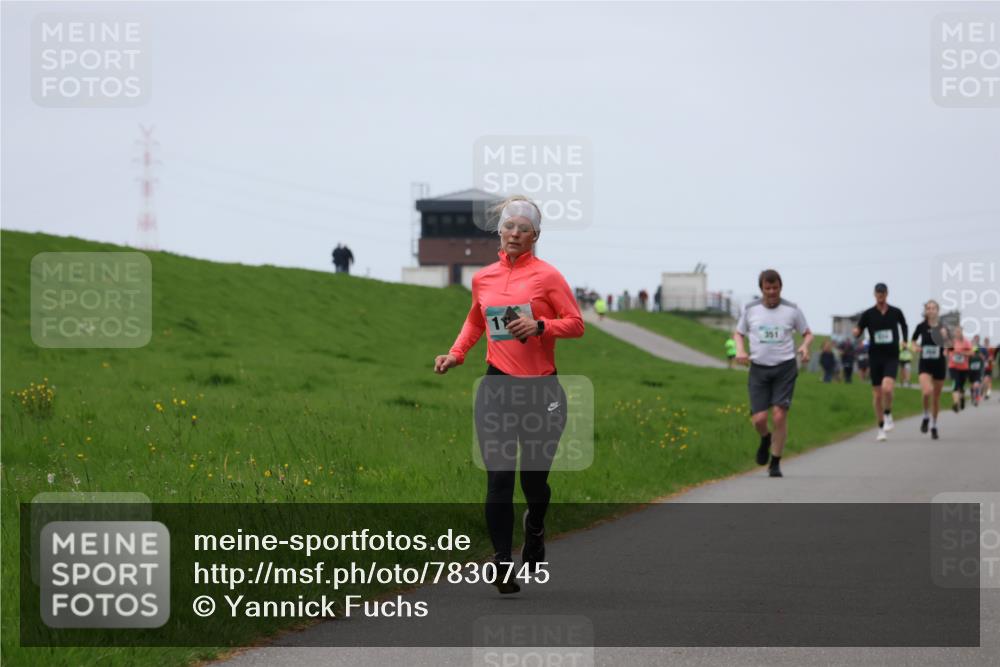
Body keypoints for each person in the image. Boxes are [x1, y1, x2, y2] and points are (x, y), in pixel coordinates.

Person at [433, 195, 584, 595]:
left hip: (542, 391)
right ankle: (501, 562)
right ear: (498, 232)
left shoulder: (548, 276)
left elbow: (576, 324)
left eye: (523, 228)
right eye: (508, 226)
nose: (514, 233)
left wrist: (540, 328)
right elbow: (474, 319)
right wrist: (456, 353)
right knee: (499, 479)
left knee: (534, 484)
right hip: (497, 386)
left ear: (535, 235)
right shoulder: (483, 278)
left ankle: (534, 526)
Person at [733, 269, 812, 478]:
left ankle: (775, 462)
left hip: (784, 367)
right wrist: (740, 350)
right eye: (767, 288)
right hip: (758, 368)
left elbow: (807, 333)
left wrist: (805, 346)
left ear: (780, 287)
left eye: (775, 288)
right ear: (761, 289)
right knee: (759, 419)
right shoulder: (750, 309)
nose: (771, 292)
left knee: (779, 415)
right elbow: (738, 334)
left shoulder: (792, 310)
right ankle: (765, 438)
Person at [853, 283, 908, 442]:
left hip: (891, 355)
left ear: (887, 294)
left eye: (883, 293)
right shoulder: (868, 314)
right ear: (874, 294)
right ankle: (880, 427)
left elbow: (904, 325)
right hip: (875, 356)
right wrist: (856, 332)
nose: (880, 295)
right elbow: (859, 329)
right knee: (877, 396)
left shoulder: (896, 312)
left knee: (887, 388)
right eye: (878, 293)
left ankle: (888, 413)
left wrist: (904, 340)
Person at [911, 300, 949, 440]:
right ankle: (925, 416)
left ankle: (934, 425)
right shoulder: (920, 326)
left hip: (939, 364)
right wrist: (915, 347)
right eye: (929, 308)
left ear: (937, 311)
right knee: (927, 391)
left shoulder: (943, 327)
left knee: (936, 398)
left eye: (934, 308)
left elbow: (948, 345)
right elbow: (913, 341)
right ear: (926, 311)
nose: (931, 310)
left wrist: (945, 342)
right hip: (925, 364)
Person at [948, 326, 973, 413]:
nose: (957, 333)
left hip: (964, 368)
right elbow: (946, 351)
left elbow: (972, 352)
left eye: (959, 331)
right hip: (953, 367)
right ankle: (955, 403)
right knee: (955, 384)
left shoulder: (966, 342)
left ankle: (962, 399)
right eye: (956, 331)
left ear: (962, 332)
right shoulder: (951, 342)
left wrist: (962, 353)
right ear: (954, 332)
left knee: (961, 386)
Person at [969, 334, 986, 407]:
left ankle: (976, 398)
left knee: (976, 385)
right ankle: (973, 396)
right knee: (972, 386)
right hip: (971, 371)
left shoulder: (980, 349)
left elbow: (983, 358)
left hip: (978, 371)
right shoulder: (969, 350)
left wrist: (981, 357)